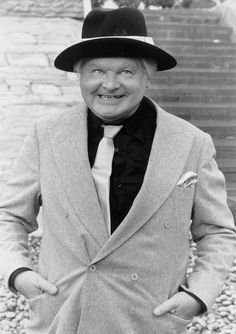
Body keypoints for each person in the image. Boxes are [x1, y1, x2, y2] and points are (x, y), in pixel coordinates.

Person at [0, 7, 235, 334]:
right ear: (79, 73)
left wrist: (199, 293)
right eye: (96, 70)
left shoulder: (192, 144)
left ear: (148, 75)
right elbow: (9, 216)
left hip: (150, 321)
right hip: (63, 318)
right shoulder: (46, 135)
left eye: (126, 71)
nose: (109, 85)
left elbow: (218, 231)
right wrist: (17, 272)